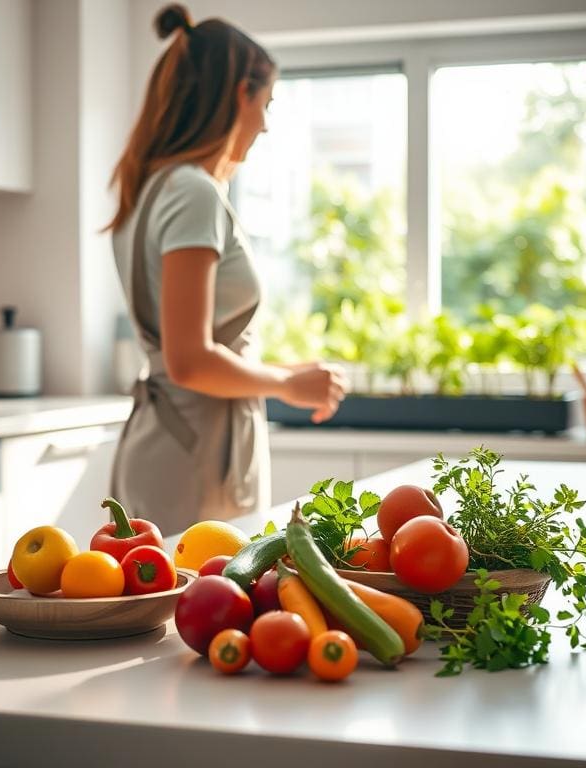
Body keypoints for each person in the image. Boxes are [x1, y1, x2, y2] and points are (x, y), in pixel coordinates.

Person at [107, 4, 348, 534]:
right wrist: (286, 386)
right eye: (267, 103)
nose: (265, 124)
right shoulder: (192, 192)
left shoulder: (152, 188)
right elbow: (191, 361)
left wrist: (288, 374)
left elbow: (190, 348)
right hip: (194, 456)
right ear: (240, 93)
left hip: (175, 444)